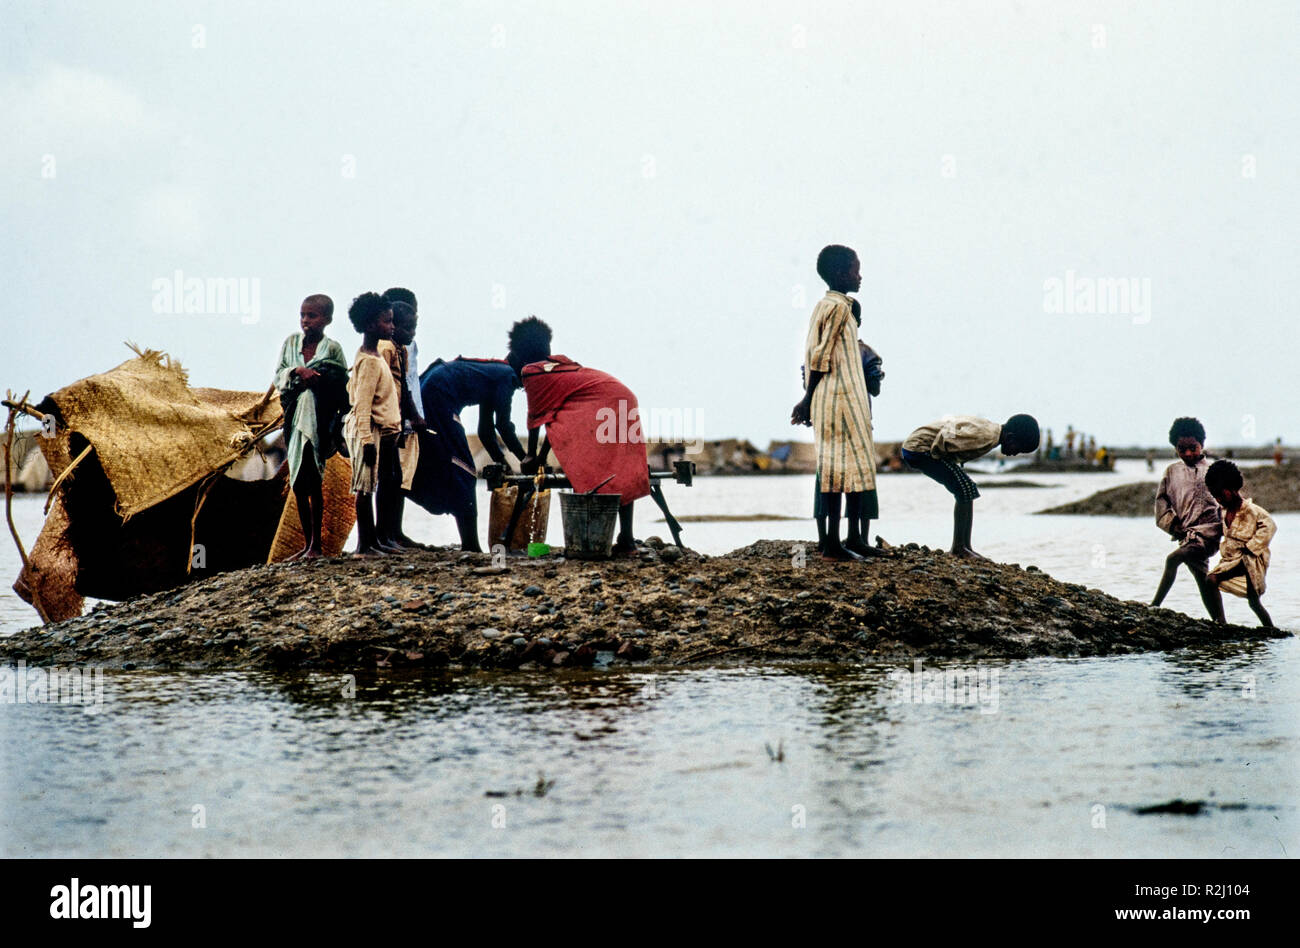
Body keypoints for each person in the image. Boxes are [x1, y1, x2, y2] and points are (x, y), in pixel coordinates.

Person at [508, 316, 650, 555]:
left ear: (520, 353)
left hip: (605, 402)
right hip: (622, 397)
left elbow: (535, 420)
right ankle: (626, 540)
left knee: (599, 468)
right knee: (620, 470)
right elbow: (551, 419)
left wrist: (531, 456)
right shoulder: (559, 368)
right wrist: (541, 457)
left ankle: (592, 541)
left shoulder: (532, 372)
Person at [790, 244, 879, 561]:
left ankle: (850, 540)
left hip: (838, 398)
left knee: (846, 469)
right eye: (856, 269)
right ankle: (831, 545)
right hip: (839, 400)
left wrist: (810, 399)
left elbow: (815, 353)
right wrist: (807, 399)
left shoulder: (825, 305)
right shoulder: (840, 308)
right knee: (837, 472)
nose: (860, 275)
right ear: (842, 273)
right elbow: (820, 356)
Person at [413, 355, 527, 551]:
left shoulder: (494, 373)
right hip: (439, 394)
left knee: (441, 463)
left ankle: (401, 494)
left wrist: (504, 464)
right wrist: (526, 458)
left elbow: (485, 431)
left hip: (430, 385)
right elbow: (503, 426)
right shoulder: (507, 377)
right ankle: (471, 545)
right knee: (464, 470)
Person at [272, 294, 349, 559]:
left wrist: (320, 380)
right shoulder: (291, 344)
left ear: (326, 319)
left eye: (312, 316)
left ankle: (316, 545)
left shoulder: (333, 349)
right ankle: (307, 544)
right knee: (297, 481)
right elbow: (278, 376)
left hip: (318, 420)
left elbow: (341, 383)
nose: (306, 321)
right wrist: (297, 371)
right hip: (294, 418)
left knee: (314, 477)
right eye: (303, 315)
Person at [900, 414, 1039, 559]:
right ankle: (959, 548)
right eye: (1018, 449)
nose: (1015, 453)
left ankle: (965, 546)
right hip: (919, 449)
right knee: (965, 490)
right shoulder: (985, 436)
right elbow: (947, 435)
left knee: (967, 489)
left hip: (919, 446)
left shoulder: (990, 432)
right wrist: (941, 453)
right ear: (1010, 438)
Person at [343, 292, 402, 556]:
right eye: (386, 322)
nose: (391, 327)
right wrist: (367, 441)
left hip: (380, 431)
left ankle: (375, 542)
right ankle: (364, 545)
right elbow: (362, 405)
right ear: (369, 325)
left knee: (374, 485)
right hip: (368, 431)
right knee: (364, 488)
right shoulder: (368, 362)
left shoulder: (374, 355)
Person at [1151, 417, 1224, 622]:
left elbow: (1227, 503)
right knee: (1204, 580)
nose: (1188, 453)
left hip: (1208, 534)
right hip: (1186, 534)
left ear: (1202, 444)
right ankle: (1221, 623)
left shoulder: (1213, 471)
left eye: (1193, 448)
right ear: (1175, 448)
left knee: (1172, 559)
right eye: (1182, 449)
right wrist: (1173, 525)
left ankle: (1154, 606)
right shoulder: (1171, 472)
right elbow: (1161, 503)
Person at [377, 298, 427, 548]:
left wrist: (415, 416)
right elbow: (382, 386)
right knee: (386, 479)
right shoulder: (384, 349)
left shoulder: (403, 350)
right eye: (408, 328)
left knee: (398, 478)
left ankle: (393, 532)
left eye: (414, 328)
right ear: (394, 327)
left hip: (398, 423)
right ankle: (382, 534)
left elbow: (405, 386)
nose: (412, 333)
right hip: (384, 423)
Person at [1205, 460, 1275, 627]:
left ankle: (1222, 624)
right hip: (1232, 559)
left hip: (1250, 560)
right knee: (1253, 602)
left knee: (1214, 581)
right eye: (1215, 496)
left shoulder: (1252, 511)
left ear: (1233, 489)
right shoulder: (1223, 512)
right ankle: (1221, 622)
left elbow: (1269, 527)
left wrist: (1251, 547)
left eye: (1221, 494)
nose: (1218, 499)